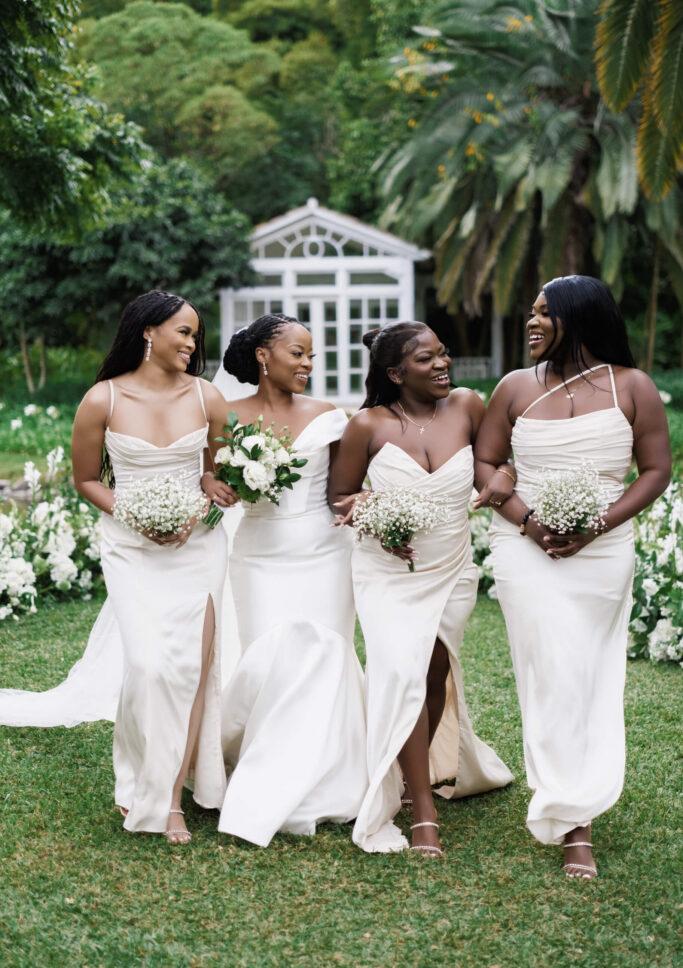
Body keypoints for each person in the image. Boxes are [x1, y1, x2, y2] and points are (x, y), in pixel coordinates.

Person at [0, 291, 232, 844]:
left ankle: (170, 798)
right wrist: (136, 516)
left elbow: (218, 475)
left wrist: (198, 508)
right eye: (184, 332)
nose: (192, 344)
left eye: (196, 335)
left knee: (192, 672)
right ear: (148, 331)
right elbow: (86, 480)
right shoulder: (102, 399)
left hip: (198, 546)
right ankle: (137, 776)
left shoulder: (208, 398)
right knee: (149, 667)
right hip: (130, 547)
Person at [474, 275, 671, 879]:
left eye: (543, 313)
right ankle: (572, 820)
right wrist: (530, 524)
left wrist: (597, 526)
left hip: (602, 552)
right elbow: (485, 463)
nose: (531, 323)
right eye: (529, 313)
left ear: (579, 318)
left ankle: (576, 791)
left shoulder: (633, 387)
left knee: (587, 673)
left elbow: (656, 470)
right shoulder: (512, 388)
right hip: (524, 547)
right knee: (551, 670)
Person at [327, 322, 514, 856]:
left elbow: (496, 464)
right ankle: (424, 815)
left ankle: (413, 781)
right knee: (402, 669)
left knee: (432, 671)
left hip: (452, 568)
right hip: (387, 571)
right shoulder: (366, 425)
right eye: (425, 358)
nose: (441, 364)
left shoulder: (468, 406)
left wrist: (506, 476)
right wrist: (376, 518)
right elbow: (340, 497)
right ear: (394, 372)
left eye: (444, 354)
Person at [204, 314, 367, 846]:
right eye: (297, 353)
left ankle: (329, 777)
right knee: (270, 657)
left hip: (324, 553)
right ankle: (267, 770)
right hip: (259, 555)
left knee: (326, 654)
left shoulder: (330, 416)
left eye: (312, 355)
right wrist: (217, 485)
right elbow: (206, 476)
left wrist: (364, 505)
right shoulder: (226, 416)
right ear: (263, 356)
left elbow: (342, 491)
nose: (308, 364)